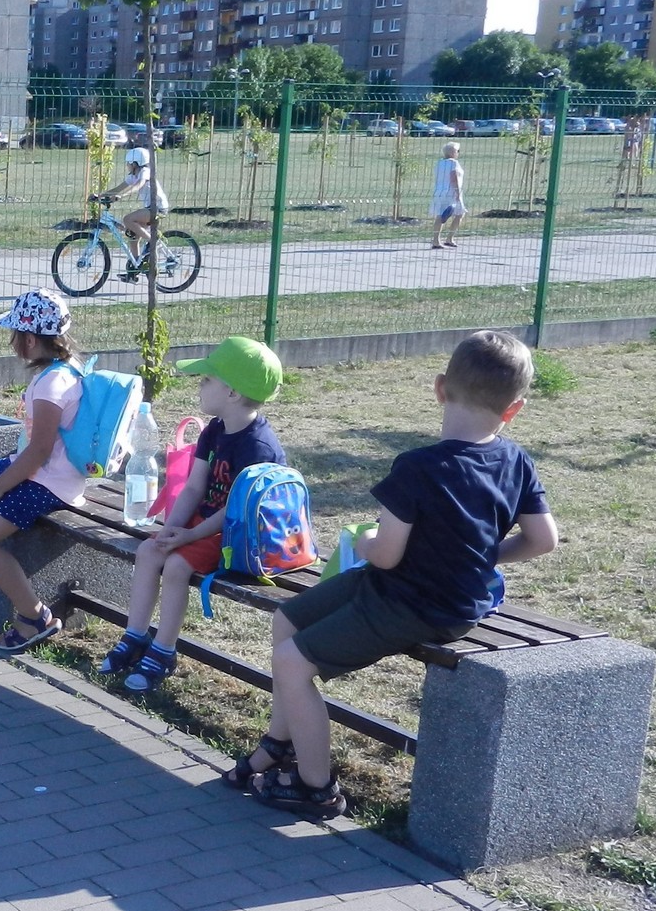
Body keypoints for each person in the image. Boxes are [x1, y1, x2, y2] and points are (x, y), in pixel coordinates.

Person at [239, 331, 559, 818]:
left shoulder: (417, 467)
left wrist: (365, 541)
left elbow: (385, 556)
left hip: (417, 605)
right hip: (430, 594)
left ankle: (315, 787)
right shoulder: (515, 460)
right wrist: (481, 556)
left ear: (440, 388)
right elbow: (543, 539)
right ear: (514, 409)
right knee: (287, 620)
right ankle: (280, 742)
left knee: (291, 663)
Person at [102, 336, 287, 693]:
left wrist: (187, 537)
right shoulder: (215, 429)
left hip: (239, 534)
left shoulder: (258, 447)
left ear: (232, 392)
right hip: (207, 523)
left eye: (206, 380)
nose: (199, 386)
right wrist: (170, 530)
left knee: (176, 566)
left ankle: (163, 652)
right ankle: (135, 636)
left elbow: (237, 511)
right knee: (149, 550)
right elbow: (193, 488)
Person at [0, 290, 87, 653]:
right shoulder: (62, 369)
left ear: (29, 339)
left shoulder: (52, 384)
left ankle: (34, 617)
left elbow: (40, 450)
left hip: (51, 482)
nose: (12, 342)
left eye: (14, 334)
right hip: (41, 468)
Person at [97, 146, 172, 268]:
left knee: (127, 219)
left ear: (136, 164)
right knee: (133, 236)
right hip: (150, 208)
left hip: (158, 208)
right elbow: (118, 188)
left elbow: (138, 185)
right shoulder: (133, 175)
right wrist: (99, 196)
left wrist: (122, 196)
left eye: (129, 163)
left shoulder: (145, 172)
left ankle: (153, 241)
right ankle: (136, 266)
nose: (127, 165)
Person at [432, 141, 466, 249]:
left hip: (439, 191)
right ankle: (449, 238)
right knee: (460, 213)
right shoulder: (454, 163)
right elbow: (454, 177)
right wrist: (457, 192)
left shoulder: (440, 163)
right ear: (453, 152)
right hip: (451, 191)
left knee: (440, 215)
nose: (458, 153)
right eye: (457, 151)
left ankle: (436, 240)